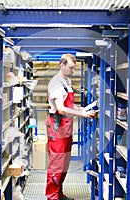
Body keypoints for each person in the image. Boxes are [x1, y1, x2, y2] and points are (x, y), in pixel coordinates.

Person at [45, 54, 97, 200]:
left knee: (64, 164)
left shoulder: (66, 81)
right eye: (71, 68)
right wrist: (82, 115)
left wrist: (82, 110)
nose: (73, 71)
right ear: (62, 65)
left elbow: (69, 105)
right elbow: (61, 109)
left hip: (66, 128)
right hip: (58, 128)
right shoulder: (56, 83)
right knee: (57, 164)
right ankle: (52, 196)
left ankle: (58, 193)